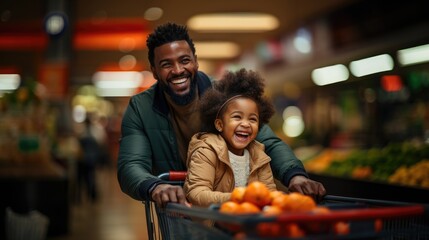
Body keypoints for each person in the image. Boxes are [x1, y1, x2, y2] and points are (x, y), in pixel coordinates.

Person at [117, 22, 326, 207]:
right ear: (154, 71)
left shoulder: (226, 97)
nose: (178, 70)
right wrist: (154, 186)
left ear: (195, 62)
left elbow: (268, 142)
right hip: (178, 210)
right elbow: (131, 165)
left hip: (229, 206)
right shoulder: (141, 108)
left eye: (184, 60)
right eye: (166, 64)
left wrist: (295, 176)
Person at [184, 69, 277, 207]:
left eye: (252, 119)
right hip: (214, 224)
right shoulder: (207, 151)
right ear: (220, 124)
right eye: (237, 117)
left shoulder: (259, 155)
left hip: (249, 224)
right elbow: (197, 194)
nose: (245, 124)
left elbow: (270, 194)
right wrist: (241, 197)